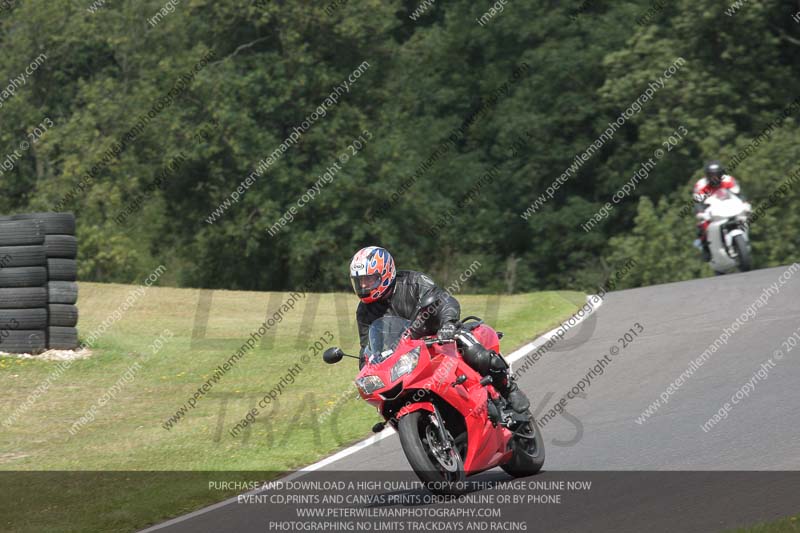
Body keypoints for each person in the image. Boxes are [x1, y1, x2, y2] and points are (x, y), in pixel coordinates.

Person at [349, 245, 530, 413]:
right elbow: (367, 345)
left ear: (386, 273)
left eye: (369, 279)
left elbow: (444, 301)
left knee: (475, 352)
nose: (363, 286)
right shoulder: (364, 311)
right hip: (407, 356)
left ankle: (509, 389)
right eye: (360, 281)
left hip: (440, 337)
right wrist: (367, 370)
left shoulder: (415, 282)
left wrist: (448, 324)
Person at [692, 160, 748, 261]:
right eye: (711, 175)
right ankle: (705, 247)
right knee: (703, 224)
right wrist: (700, 213)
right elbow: (697, 202)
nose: (715, 178)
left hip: (727, 205)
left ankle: (744, 238)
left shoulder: (728, 180)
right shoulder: (701, 185)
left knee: (744, 216)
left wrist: (745, 203)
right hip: (710, 208)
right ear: (707, 175)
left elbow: (739, 193)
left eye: (717, 174)